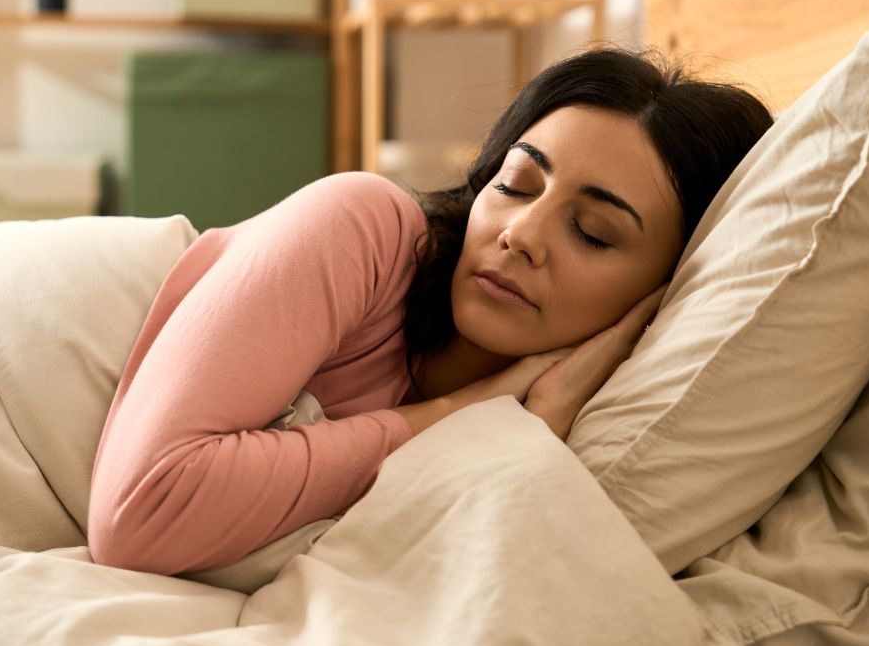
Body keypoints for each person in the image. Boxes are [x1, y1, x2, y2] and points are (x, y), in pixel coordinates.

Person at [87, 47, 774, 577]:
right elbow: (139, 516)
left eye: (593, 231)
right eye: (514, 183)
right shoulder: (363, 225)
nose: (519, 233)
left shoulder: (593, 420)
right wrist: (471, 409)